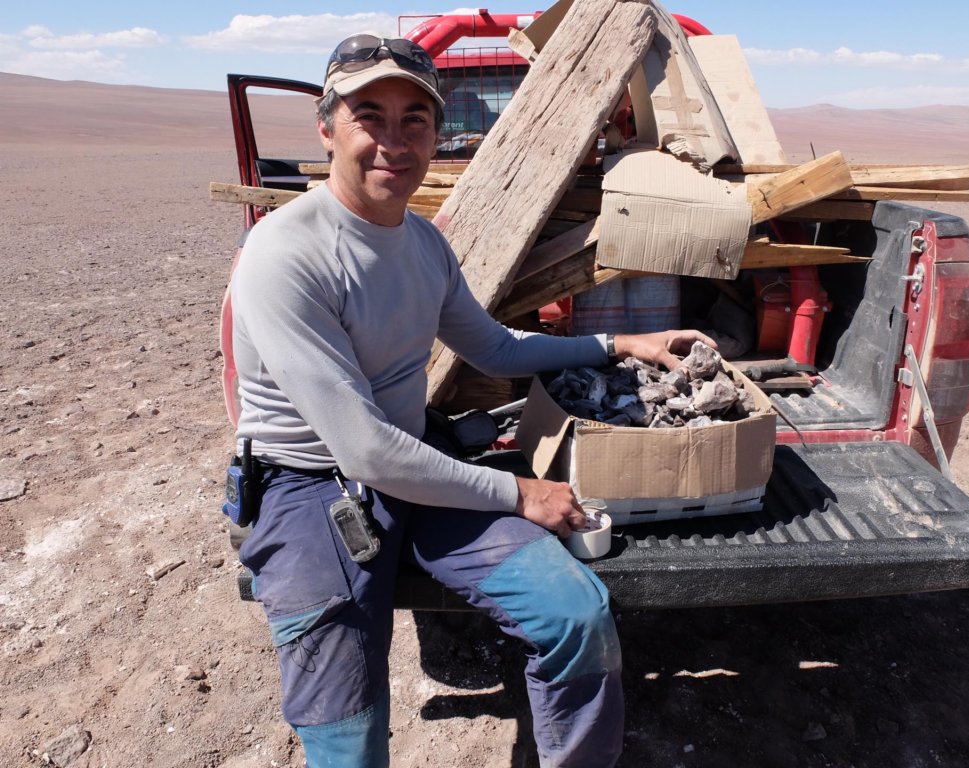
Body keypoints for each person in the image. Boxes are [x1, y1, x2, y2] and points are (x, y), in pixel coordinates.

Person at [229, 34, 716, 768]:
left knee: (576, 618)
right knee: (344, 720)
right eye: (369, 116)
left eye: (415, 119)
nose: (394, 141)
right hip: (311, 484)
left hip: (416, 465)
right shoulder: (286, 253)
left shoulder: (423, 244)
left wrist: (619, 344)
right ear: (326, 127)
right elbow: (361, 450)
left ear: (436, 134)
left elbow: (495, 349)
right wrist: (519, 493)